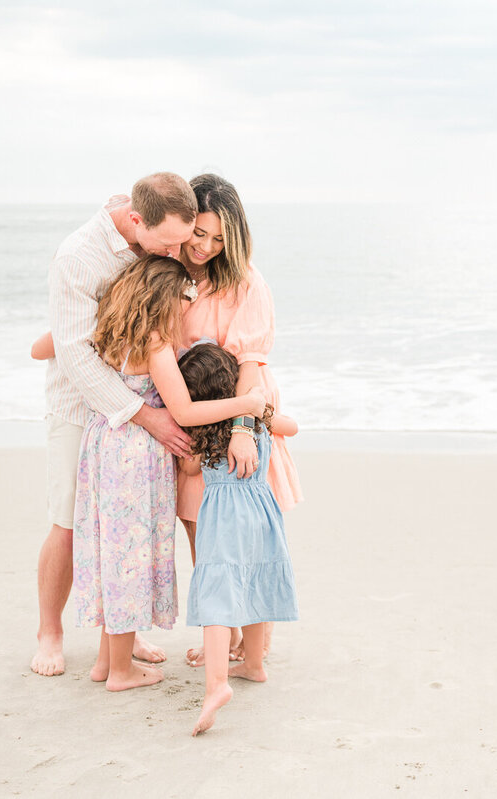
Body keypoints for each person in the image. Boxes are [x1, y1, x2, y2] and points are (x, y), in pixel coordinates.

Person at [71, 257, 267, 691]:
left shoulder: (112, 332)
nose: (187, 306)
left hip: (105, 444)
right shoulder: (155, 344)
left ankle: (106, 662)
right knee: (128, 558)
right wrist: (246, 406)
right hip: (136, 458)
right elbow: (184, 410)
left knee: (111, 548)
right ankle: (121, 672)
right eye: (185, 297)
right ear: (165, 296)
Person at [31, 172, 199, 678]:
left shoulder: (152, 234)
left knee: (124, 528)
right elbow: (75, 357)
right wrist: (147, 417)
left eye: (180, 243)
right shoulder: (78, 257)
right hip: (81, 408)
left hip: (129, 413)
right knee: (68, 523)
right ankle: (50, 630)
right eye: (168, 243)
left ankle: (119, 639)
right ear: (134, 221)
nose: (175, 254)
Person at [175, 174, 303, 667]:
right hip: (195, 418)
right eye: (198, 234)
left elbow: (250, 363)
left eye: (218, 239)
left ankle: (251, 643)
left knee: (247, 533)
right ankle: (225, 635)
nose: (205, 247)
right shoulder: (169, 274)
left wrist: (244, 432)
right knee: (200, 530)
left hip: (241, 410)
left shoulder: (247, 282)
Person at [176, 343, 298, 733]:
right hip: (263, 513)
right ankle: (254, 664)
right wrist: (261, 408)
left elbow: (191, 467)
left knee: (218, 596)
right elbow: (291, 427)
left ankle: (216, 685)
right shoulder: (254, 420)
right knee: (257, 582)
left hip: (224, 521)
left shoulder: (205, 427)